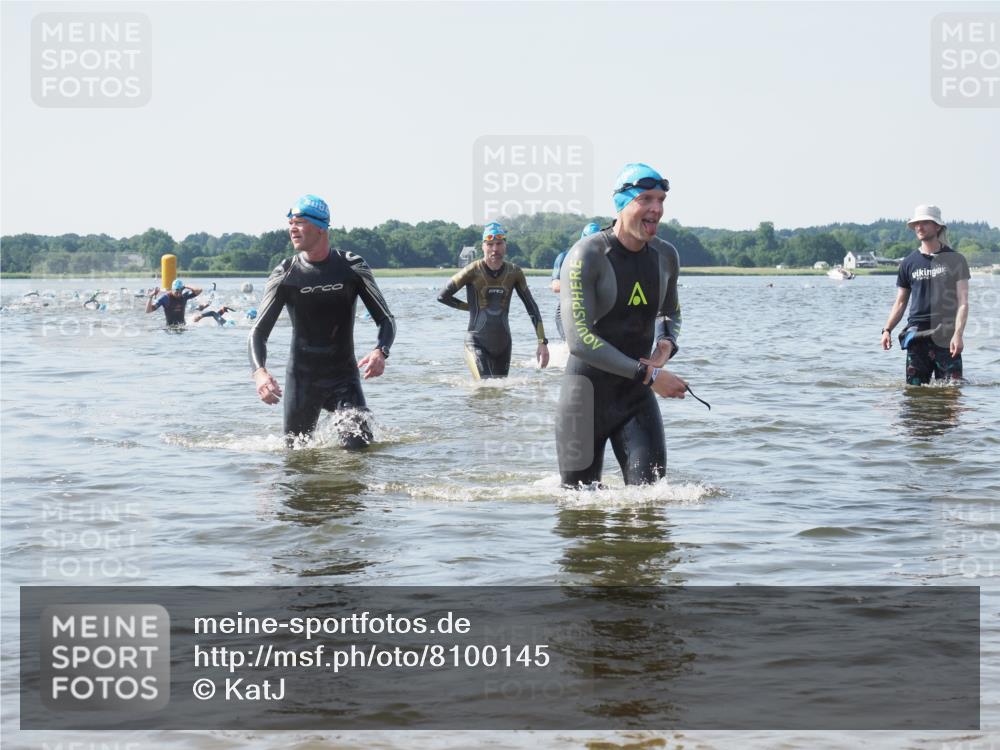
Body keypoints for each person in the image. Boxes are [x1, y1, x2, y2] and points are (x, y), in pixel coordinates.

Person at [556, 163, 687, 488]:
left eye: (661, 200)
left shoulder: (666, 255)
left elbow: (669, 314)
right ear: (622, 204)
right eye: (646, 199)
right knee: (580, 515)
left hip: (635, 397)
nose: (656, 209)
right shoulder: (587, 255)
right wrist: (650, 375)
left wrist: (664, 347)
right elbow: (580, 340)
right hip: (584, 400)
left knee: (651, 503)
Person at [248, 194, 396, 447]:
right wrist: (259, 372)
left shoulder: (352, 267)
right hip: (302, 378)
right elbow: (258, 332)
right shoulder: (285, 274)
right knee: (297, 456)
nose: (292, 228)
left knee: (360, 448)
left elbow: (386, 319)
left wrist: (381, 351)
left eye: (299, 222)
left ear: (321, 227)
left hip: (344, 377)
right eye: (290, 223)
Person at [437, 222, 549, 378]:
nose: (495, 249)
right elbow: (442, 296)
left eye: (499, 244)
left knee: (500, 392)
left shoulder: (514, 272)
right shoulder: (472, 271)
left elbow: (531, 307)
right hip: (476, 343)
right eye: (490, 244)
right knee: (485, 386)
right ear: (483, 246)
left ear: (505, 246)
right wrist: (470, 307)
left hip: (504, 345)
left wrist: (542, 342)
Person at [880, 204, 970, 385]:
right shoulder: (908, 262)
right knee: (915, 395)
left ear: (937, 226)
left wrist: (958, 334)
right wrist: (887, 329)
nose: (919, 227)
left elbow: (963, 302)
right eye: (916, 224)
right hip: (916, 337)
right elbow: (900, 302)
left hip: (946, 337)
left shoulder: (956, 259)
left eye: (925, 223)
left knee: (952, 394)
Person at [552, 222, 602, 339]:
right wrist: (584, 285)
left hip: (595, 313)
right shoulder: (565, 257)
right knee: (576, 348)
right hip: (568, 312)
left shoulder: (604, 259)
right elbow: (556, 286)